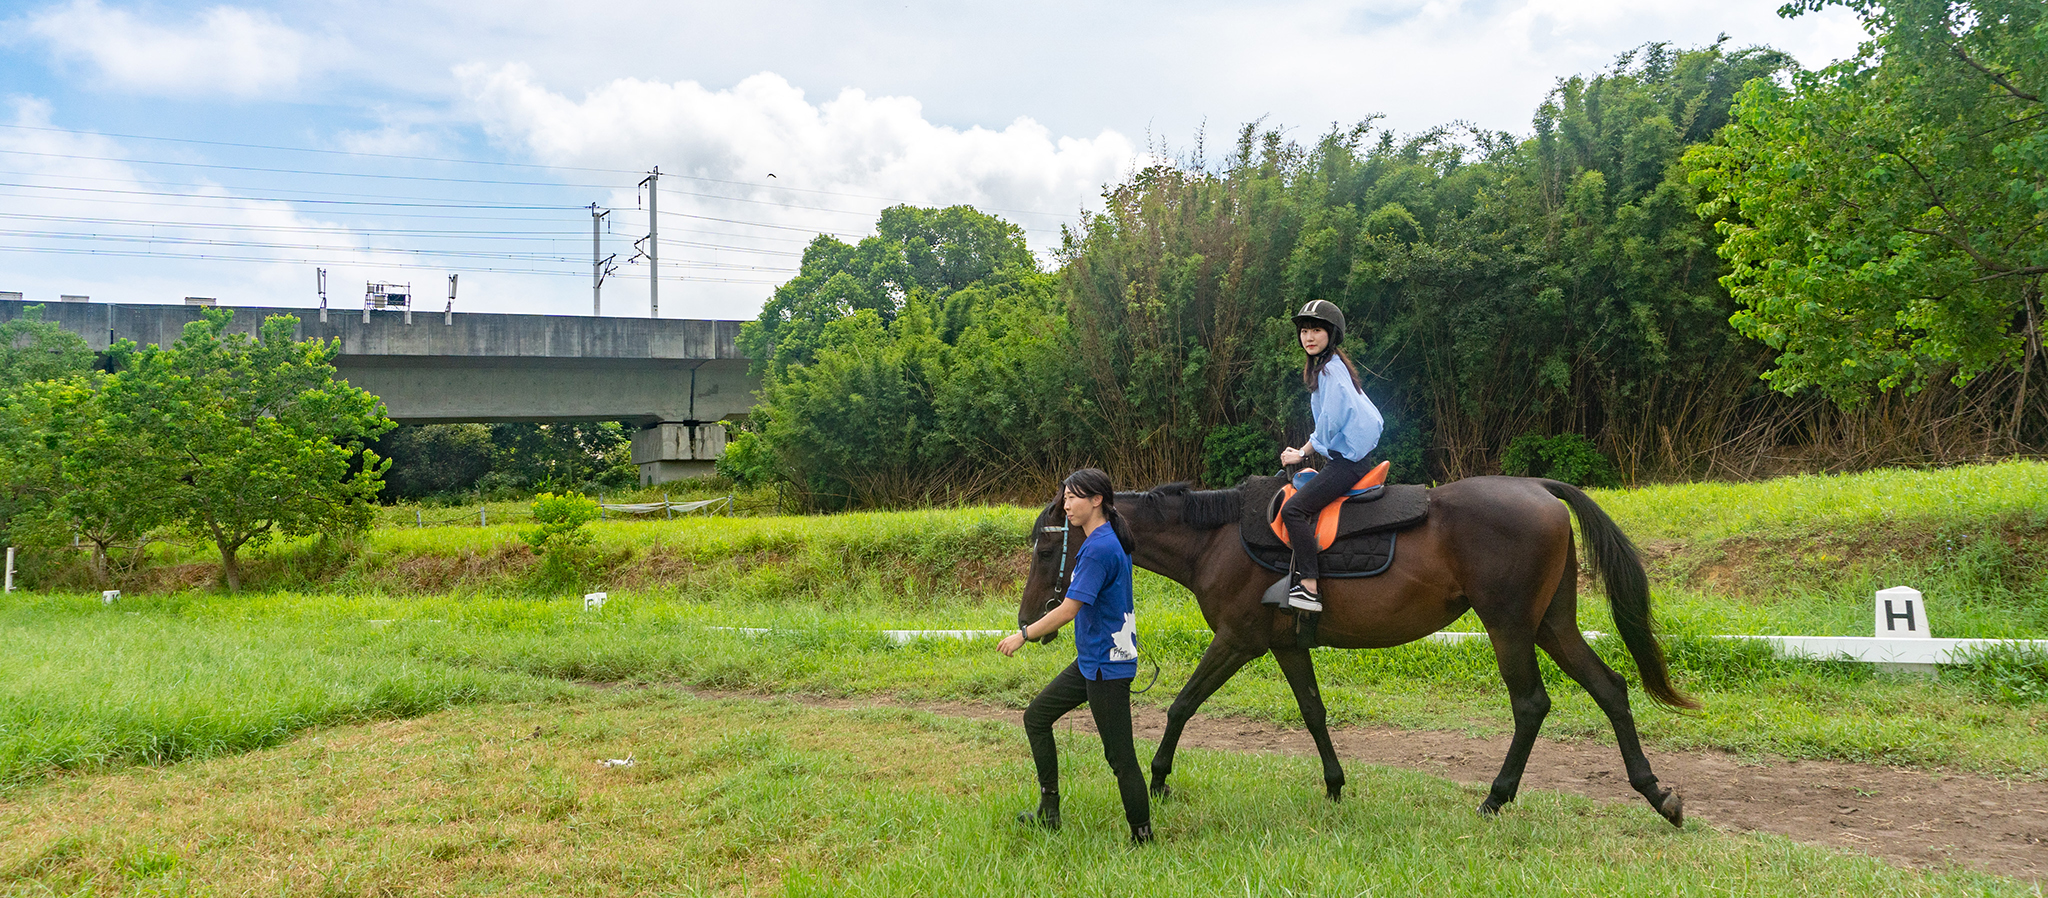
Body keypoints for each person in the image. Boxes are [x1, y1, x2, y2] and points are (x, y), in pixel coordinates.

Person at [996, 468, 1152, 845]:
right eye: (1064, 496)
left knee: (1120, 756)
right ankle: (1049, 811)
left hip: (1106, 666)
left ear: (1096, 500)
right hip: (1093, 661)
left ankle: (1142, 836)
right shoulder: (1104, 539)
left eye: (1074, 497)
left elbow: (1069, 610)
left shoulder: (1099, 548)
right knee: (1037, 717)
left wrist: (1023, 634)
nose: (1066, 503)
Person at [1278, 299, 1384, 613]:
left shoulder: (1330, 374)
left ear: (1331, 334)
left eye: (1317, 331)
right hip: (1347, 458)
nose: (1308, 337)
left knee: (1293, 511)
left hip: (1347, 464)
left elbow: (1330, 420)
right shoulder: (1333, 365)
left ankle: (1309, 587)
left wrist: (1302, 452)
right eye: (1304, 331)